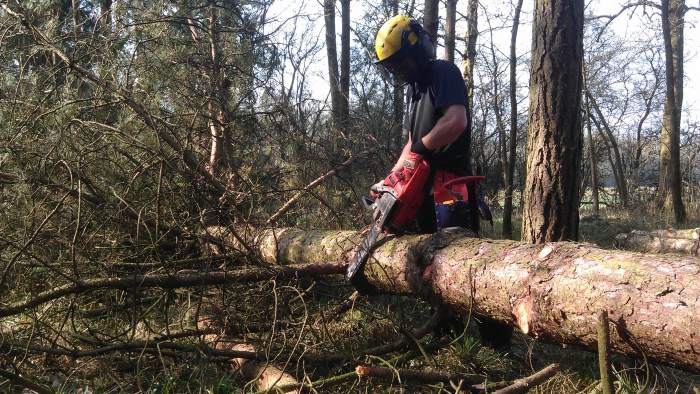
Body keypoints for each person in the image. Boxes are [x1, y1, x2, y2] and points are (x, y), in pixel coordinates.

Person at [373, 15, 513, 349]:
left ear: (419, 49)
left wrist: (422, 148)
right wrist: (392, 180)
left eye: (402, 63)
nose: (400, 71)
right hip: (422, 188)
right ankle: (447, 339)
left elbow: (456, 121)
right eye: (393, 67)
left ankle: (497, 345)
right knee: (429, 268)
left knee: (462, 266)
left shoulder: (442, 72)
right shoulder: (415, 89)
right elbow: (412, 143)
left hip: (449, 187)